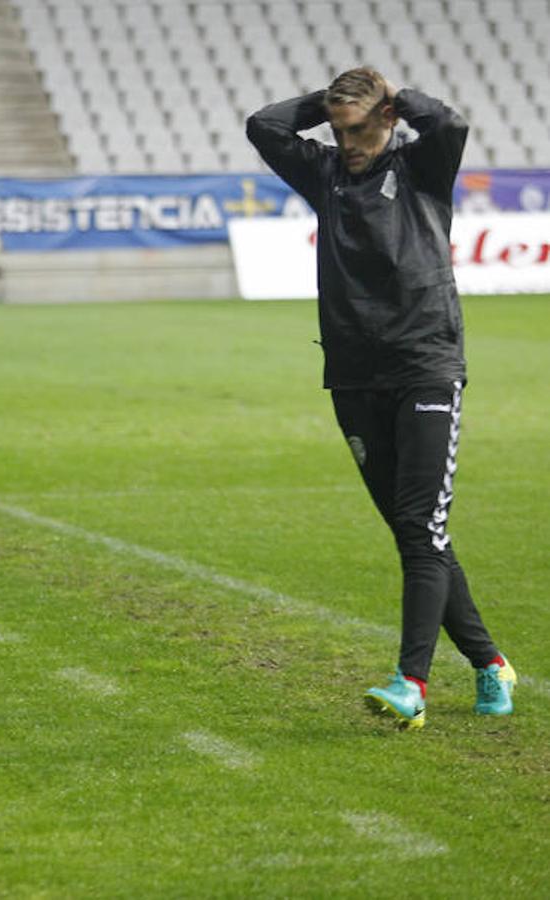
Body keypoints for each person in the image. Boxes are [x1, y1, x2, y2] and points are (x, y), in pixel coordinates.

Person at [246, 67, 516, 730]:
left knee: (421, 529)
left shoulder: (422, 167)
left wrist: (394, 99)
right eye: (339, 129)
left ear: (389, 118)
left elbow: (448, 124)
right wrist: (329, 102)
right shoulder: (325, 174)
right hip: (353, 375)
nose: (350, 140)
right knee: (414, 529)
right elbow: (263, 126)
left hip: (425, 365)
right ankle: (490, 664)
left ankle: (412, 682)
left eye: (362, 126)